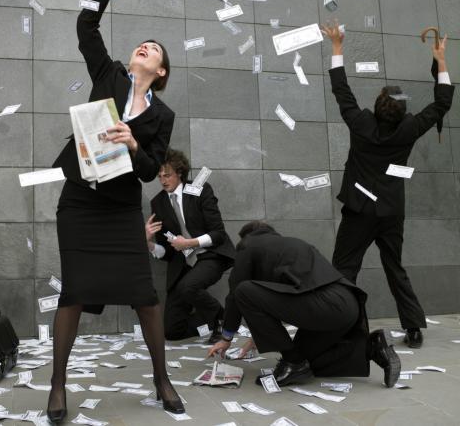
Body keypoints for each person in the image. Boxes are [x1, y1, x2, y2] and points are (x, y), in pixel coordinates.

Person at [48, 0, 183, 422]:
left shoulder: (163, 115)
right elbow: (85, 25)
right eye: (142, 44)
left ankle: (162, 379)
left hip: (122, 209)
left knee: (145, 296)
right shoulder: (108, 74)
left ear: (160, 72)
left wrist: (132, 144)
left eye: (155, 49)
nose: (145, 46)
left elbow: (151, 172)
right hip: (81, 202)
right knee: (74, 292)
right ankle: (57, 386)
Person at [321, 21, 455, 349]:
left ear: (378, 107)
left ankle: (342, 326)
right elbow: (442, 104)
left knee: (344, 268)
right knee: (394, 267)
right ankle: (413, 328)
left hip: (359, 210)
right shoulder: (409, 129)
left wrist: (337, 47)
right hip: (391, 211)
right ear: (401, 112)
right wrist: (440, 60)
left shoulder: (360, 123)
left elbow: (341, 90)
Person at [208, 221, 401, 388]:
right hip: (347, 305)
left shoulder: (248, 245)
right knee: (305, 363)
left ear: (246, 237)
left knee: (243, 291)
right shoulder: (292, 245)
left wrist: (226, 337)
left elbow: (235, 295)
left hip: (324, 304)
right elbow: (279, 299)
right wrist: (259, 333)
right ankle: (373, 347)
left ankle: (292, 364)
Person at [145, 148, 235, 343]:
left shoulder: (200, 189)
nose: (163, 180)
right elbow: (167, 253)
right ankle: (211, 321)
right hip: (182, 264)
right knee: (171, 331)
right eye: (159, 176)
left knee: (188, 287)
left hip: (210, 254)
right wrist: (149, 242)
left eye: (167, 175)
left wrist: (190, 243)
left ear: (179, 173)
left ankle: (222, 319)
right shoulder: (158, 203)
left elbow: (218, 233)